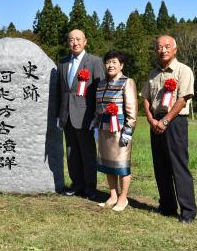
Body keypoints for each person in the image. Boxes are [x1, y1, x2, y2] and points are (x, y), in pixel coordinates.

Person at [141, 35, 197, 223]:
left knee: (178, 166)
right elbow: (146, 98)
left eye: (167, 46)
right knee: (161, 166)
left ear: (175, 49)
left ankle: (188, 211)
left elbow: (182, 99)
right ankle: (167, 206)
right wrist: (151, 119)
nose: (163, 50)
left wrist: (165, 121)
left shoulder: (183, 71)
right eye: (159, 47)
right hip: (155, 122)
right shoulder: (152, 74)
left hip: (174, 123)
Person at [56, 29, 105, 199]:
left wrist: (97, 116)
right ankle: (76, 184)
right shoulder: (62, 63)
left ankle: (90, 187)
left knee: (87, 153)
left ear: (85, 41)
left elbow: (100, 91)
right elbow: (60, 91)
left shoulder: (95, 62)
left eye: (78, 39)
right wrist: (58, 114)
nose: (74, 43)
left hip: (86, 116)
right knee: (71, 151)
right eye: (71, 40)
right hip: (66, 115)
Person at [91, 50, 137, 211]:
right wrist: (95, 123)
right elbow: (99, 108)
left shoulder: (127, 82)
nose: (110, 65)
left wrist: (128, 132)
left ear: (121, 65)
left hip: (120, 131)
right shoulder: (102, 83)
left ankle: (123, 198)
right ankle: (113, 195)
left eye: (114, 62)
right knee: (108, 165)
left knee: (122, 166)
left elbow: (132, 112)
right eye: (108, 62)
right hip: (104, 130)